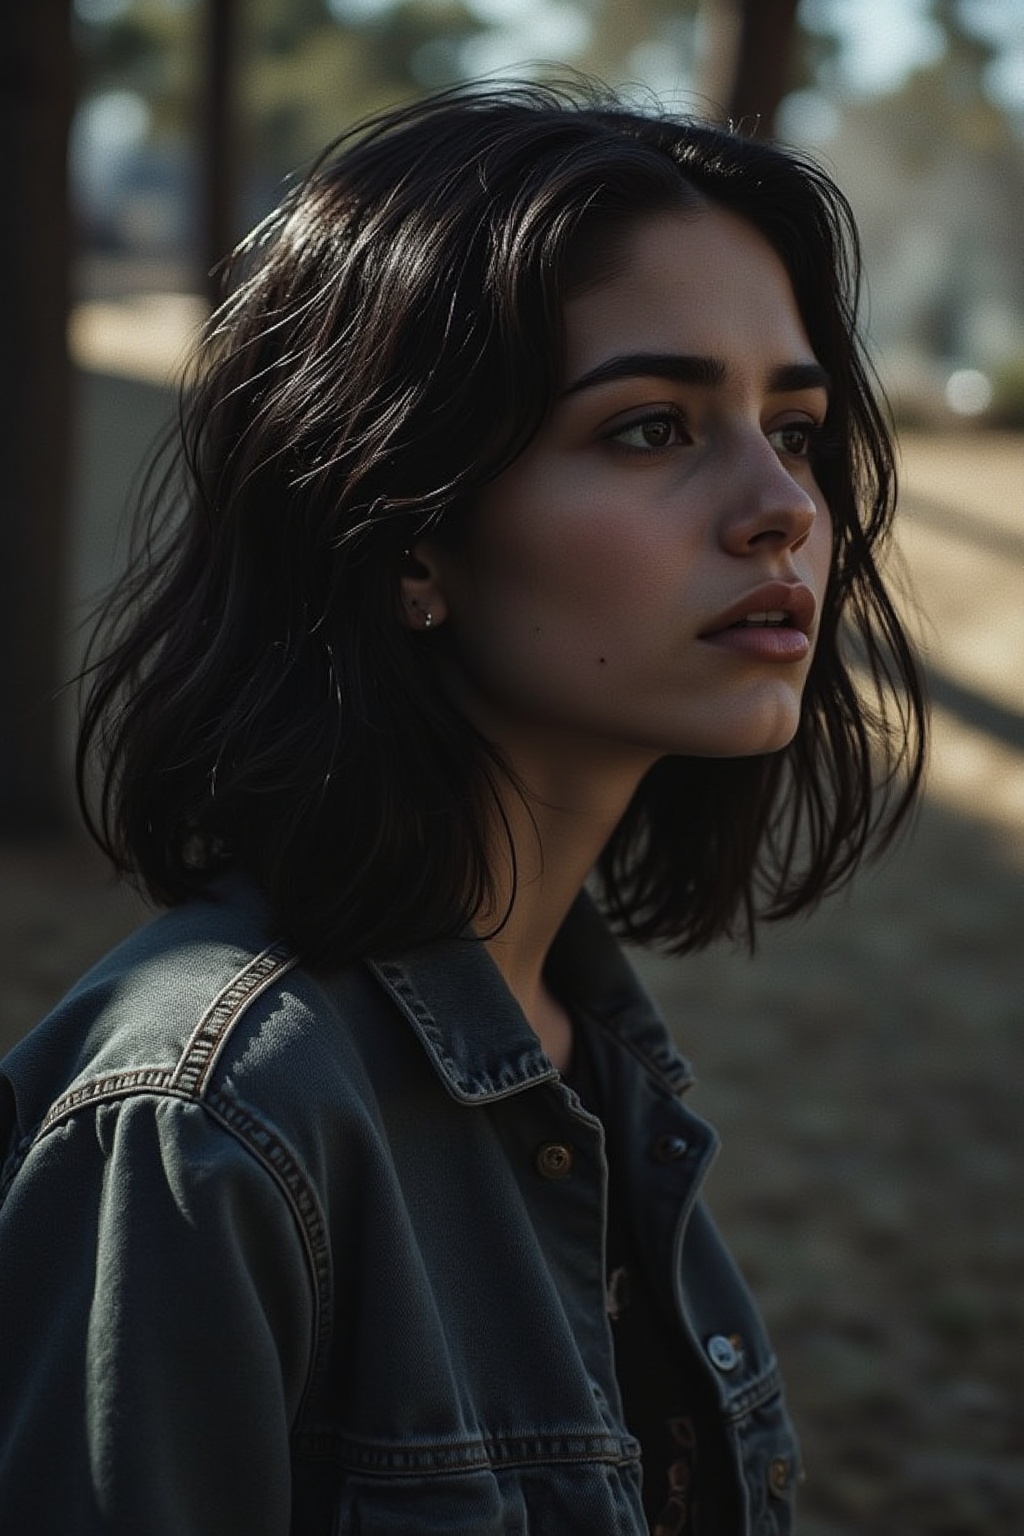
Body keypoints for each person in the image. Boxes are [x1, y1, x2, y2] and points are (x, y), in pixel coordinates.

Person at [0, 82, 925, 1535]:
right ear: (407, 537)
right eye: (651, 428)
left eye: (795, 426)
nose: (781, 506)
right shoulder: (208, 1130)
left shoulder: (591, 1061)